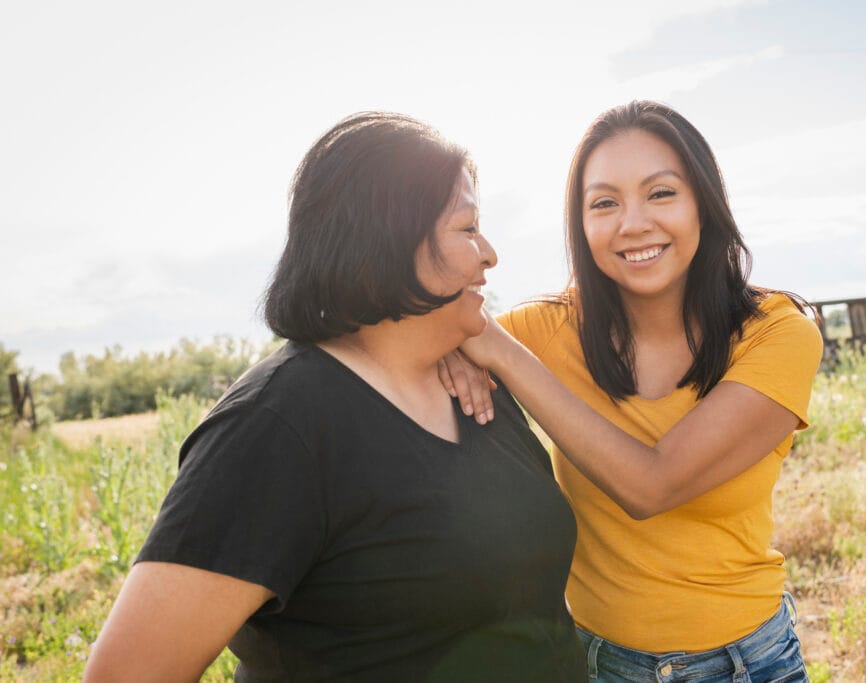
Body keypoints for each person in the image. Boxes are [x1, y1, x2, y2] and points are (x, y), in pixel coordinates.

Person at [83, 112, 587, 682]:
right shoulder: (275, 426)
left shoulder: (473, 386)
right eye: (467, 228)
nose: (490, 253)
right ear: (388, 240)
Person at [441, 100, 823, 682]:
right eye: (604, 203)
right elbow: (414, 327)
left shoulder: (778, 332)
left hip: (747, 665)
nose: (633, 223)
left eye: (661, 193)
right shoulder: (544, 329)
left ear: (704, 202)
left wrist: (493, 351)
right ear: (581, 224)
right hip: (597, 665)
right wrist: (451, 345)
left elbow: (652, 485)